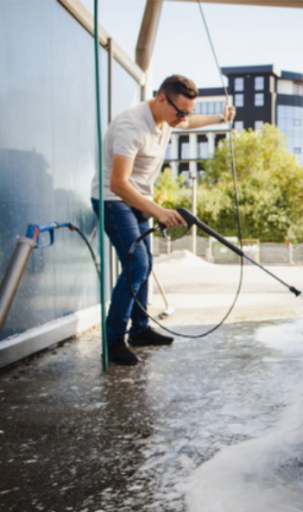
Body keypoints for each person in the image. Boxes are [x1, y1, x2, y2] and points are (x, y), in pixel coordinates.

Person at [91, 74, 235, 366]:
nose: (183, 118)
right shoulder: (132, 126)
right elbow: (118, 183)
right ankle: (113, 340)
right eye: (179, 112)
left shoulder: (167, 119)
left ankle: (140, 330)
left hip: (138, 199)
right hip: (112, 198)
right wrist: (158, 211)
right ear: (160, 99)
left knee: (146, 263)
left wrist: (220, 118)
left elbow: (189, 122)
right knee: (136, 263)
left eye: (187, 112)